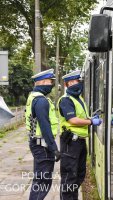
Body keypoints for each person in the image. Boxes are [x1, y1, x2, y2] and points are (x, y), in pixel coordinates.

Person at [57, 70, 102, 200]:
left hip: (80, 142)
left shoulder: (79, 99)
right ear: (70, 83)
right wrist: (91, 121)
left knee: (79, 175)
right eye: (78, 81)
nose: (80, 84)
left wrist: (91, 118)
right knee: (69, 177)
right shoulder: (66, 100)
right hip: (71, 143)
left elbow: (81, 117)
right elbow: (73, 120)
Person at [25, 69, 61, 200]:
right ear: (44, 82)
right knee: (43, 181)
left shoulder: (32, 97)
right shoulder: (41, 100)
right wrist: (54, 148)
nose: (52, 85)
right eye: (51, 82)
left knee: (40, 180)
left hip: (37, 143)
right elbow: (45, 127)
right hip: (43, 146)